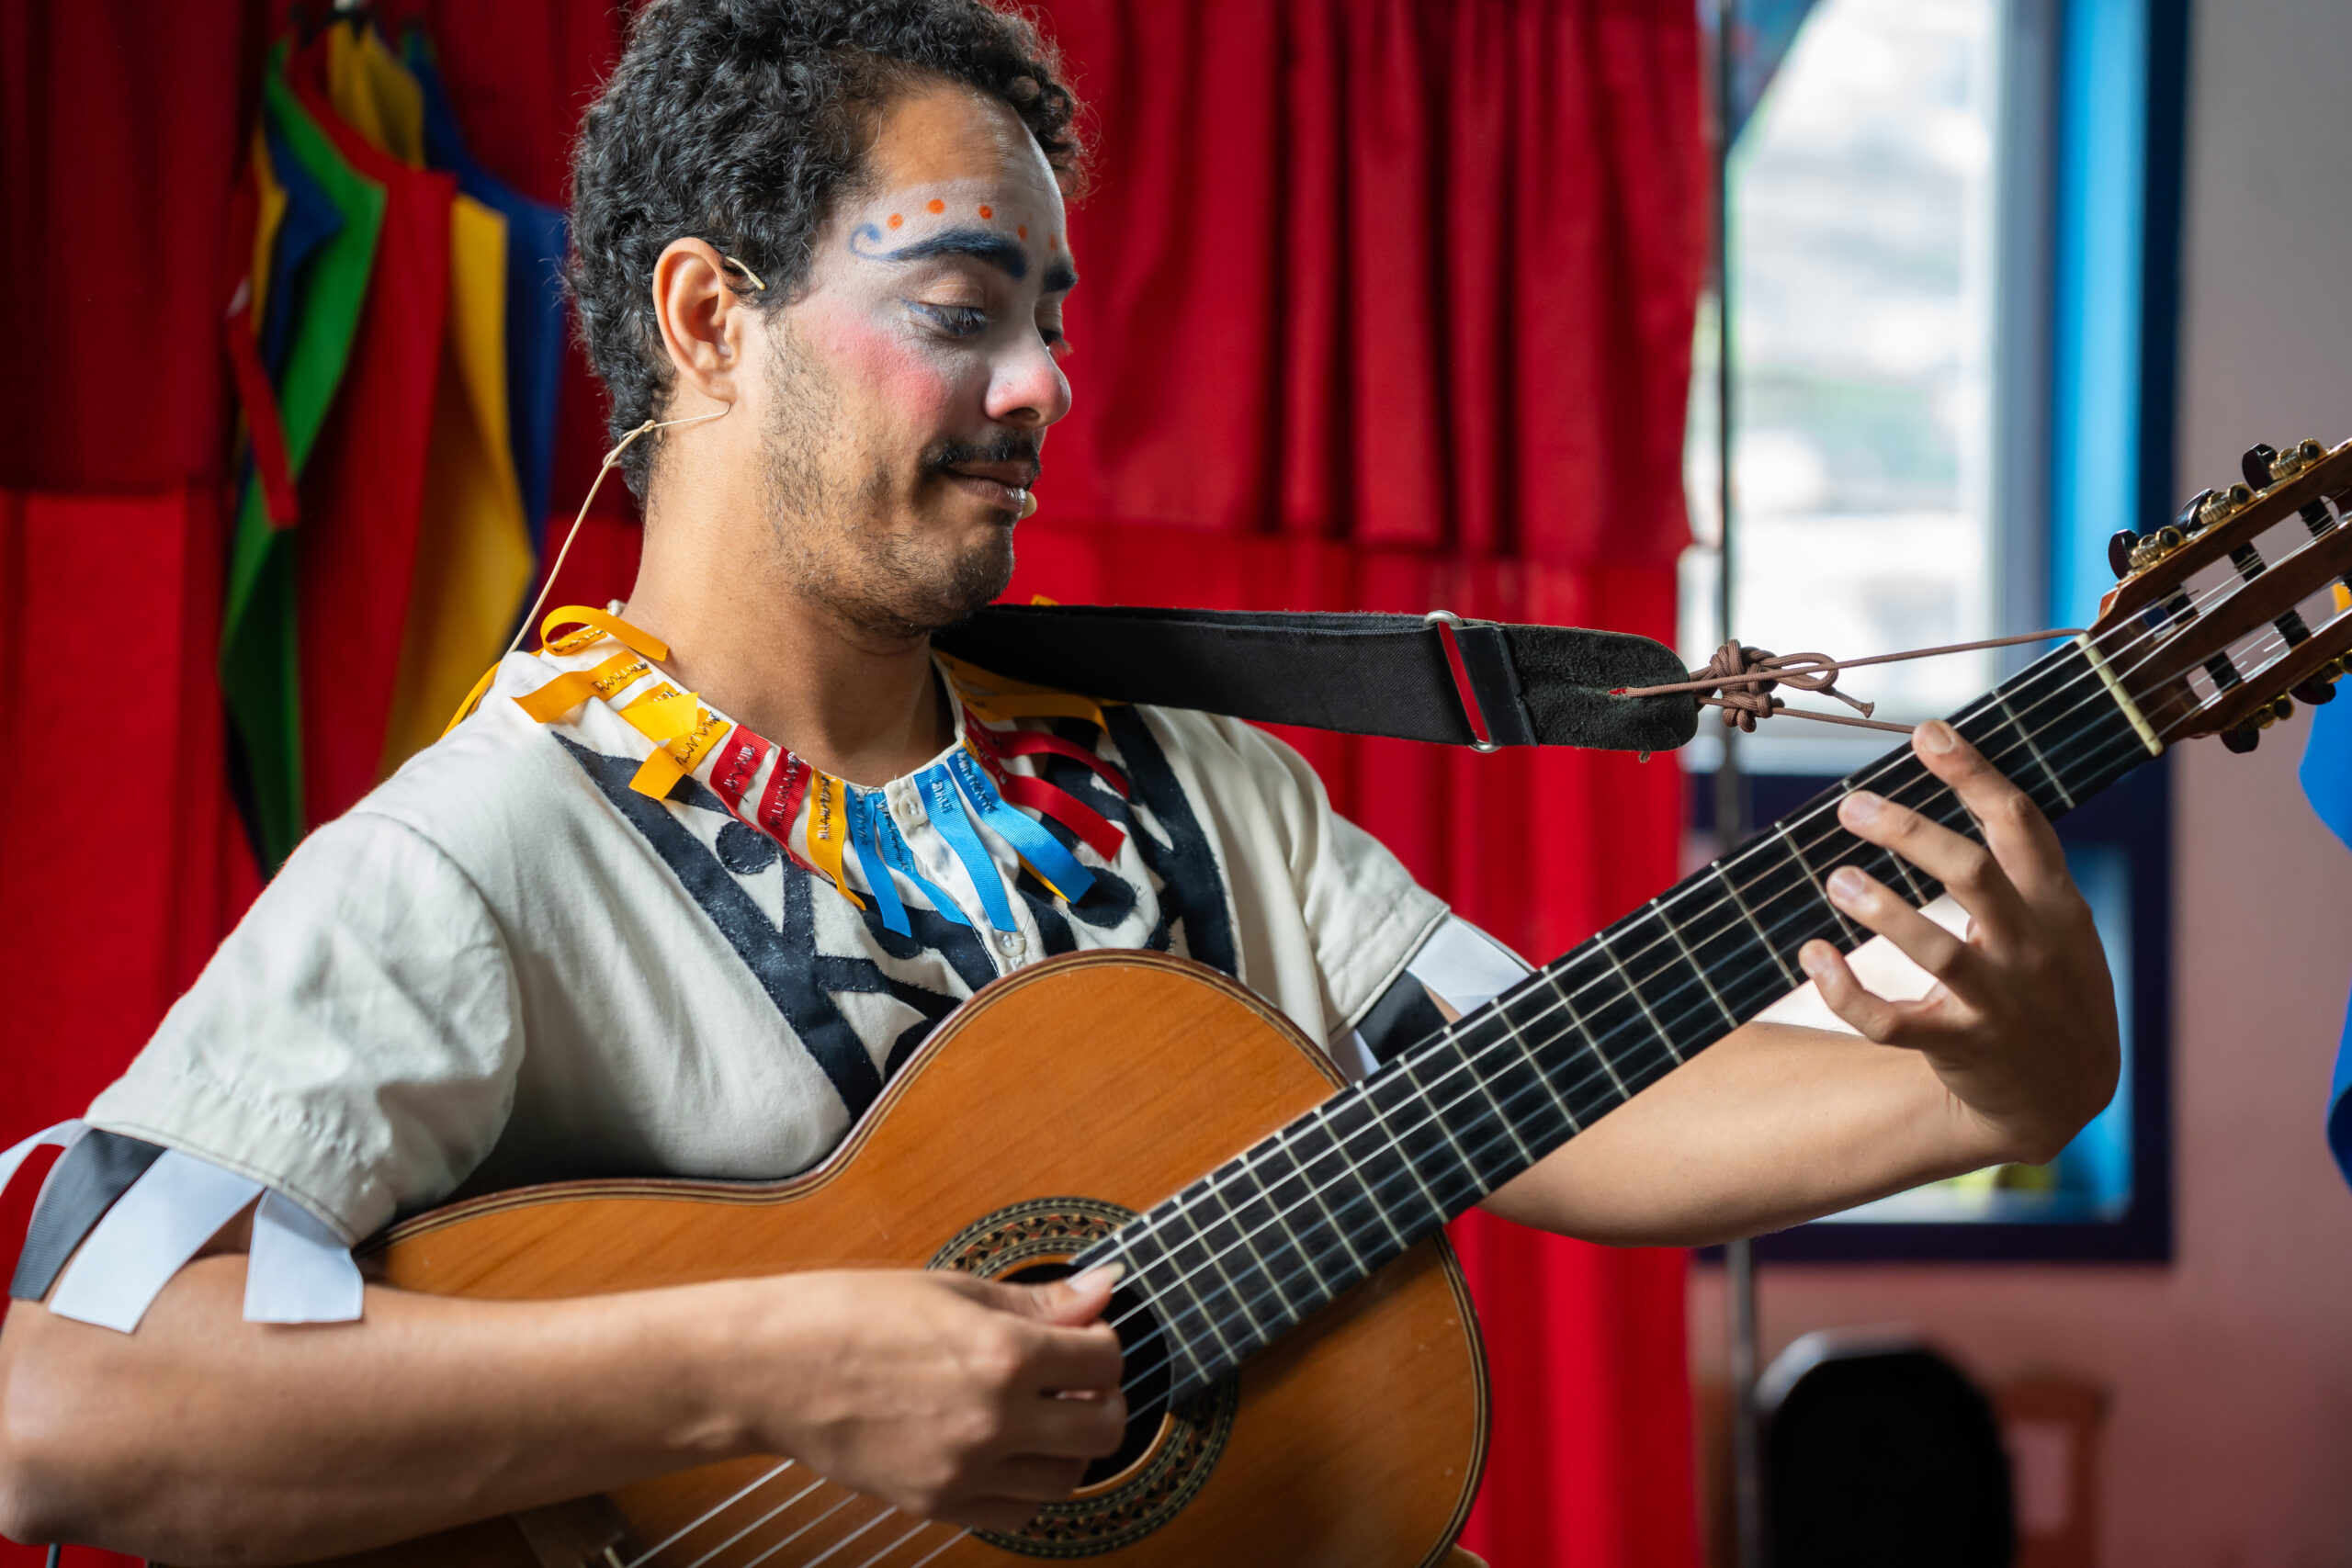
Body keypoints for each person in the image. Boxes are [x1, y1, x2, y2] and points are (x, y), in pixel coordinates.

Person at [0, 0, 2120, 1558]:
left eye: (1052, 318)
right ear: (710, 320)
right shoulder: (481, 856)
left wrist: (1986, 1091)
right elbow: (66, 1404)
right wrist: (769, 1364)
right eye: (960, 305)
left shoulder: (1191, 784)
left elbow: (1547, 1092)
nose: (1043, 384)